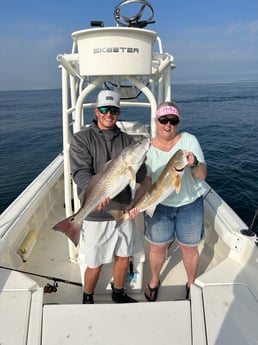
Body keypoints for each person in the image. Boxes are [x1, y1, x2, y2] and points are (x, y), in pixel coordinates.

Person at [69, 90, 148, 304]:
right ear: (96, 111)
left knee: (124, 256)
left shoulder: (128, 141)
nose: (108, 113)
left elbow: (139, 176)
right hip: (95, 213)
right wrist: (92, 192)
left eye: (113, 110)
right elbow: (80, 172)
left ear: (119, 112)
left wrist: (142, 160)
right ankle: (87, 297)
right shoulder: (81, 139)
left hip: (122, 211)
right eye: (104, 109)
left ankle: (119, 292)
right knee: (94, 262)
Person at [130, 101, 207, 301]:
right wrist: (135, 206)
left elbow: (202, 176)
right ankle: (155, 279)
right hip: (159, 206)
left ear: (178, 122)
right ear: (156, 121)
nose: (168, 124)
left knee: (189, 249)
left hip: (190, 205)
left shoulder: (189, 141)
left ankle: (191, 283)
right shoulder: (148, 149)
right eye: (163, 120)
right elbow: (146, 182)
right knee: (157, 247)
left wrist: (195, 163)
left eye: (173, 120)